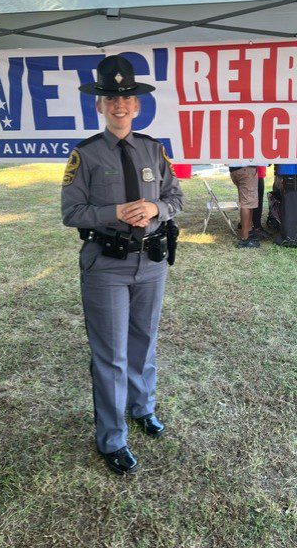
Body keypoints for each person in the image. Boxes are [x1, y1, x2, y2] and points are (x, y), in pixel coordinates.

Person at [61, 55, 183, 475]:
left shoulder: (154, 149)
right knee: (110, 354)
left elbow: (176, 200)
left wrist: (155, 207)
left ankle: (141, 408)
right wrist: (116, 211)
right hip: (106, 266)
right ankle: (111, 438)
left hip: (150, 261)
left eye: (126, 97)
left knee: (143, 340)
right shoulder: (86, 155)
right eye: (111, 98)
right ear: (99, 105)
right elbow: (72, 213)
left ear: (137, 104)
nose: (119, 105)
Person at [229, 165, 260, 248]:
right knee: (246, 204)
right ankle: (244, 238)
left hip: (234, 170)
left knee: (247, 202)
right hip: (246, 169)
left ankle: (248, 231)